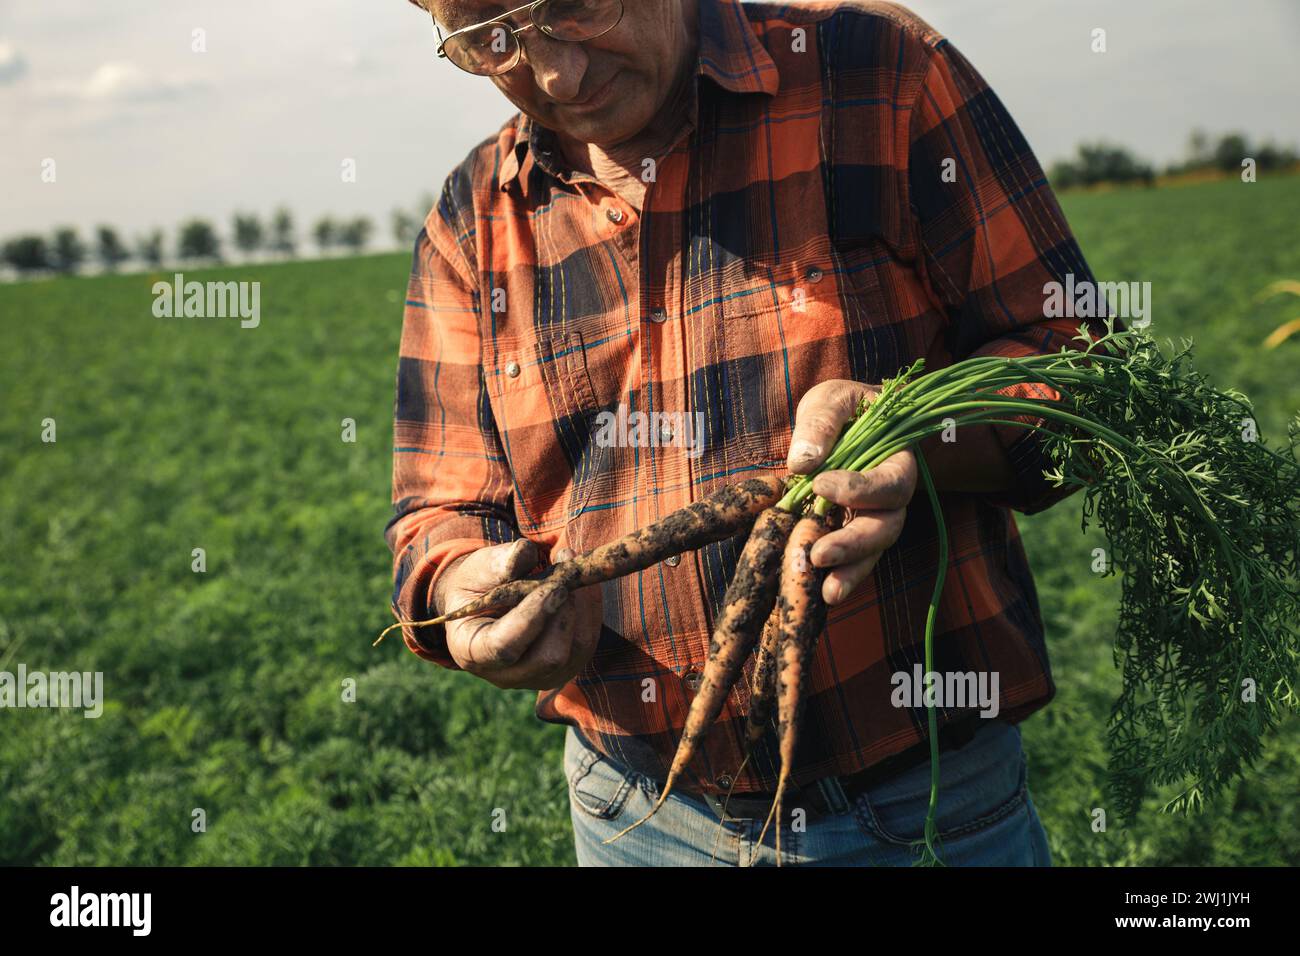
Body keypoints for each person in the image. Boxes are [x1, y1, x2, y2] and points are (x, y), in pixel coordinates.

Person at [387, 0, 1099, 866]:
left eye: (572, 6)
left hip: (923, 811)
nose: (555, 75)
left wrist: (915, 439)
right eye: (489, 39)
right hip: (633, 816)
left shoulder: (878, 75)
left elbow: (1082, 376)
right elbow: (439, 506)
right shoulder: (473, 218)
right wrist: (464, 589)